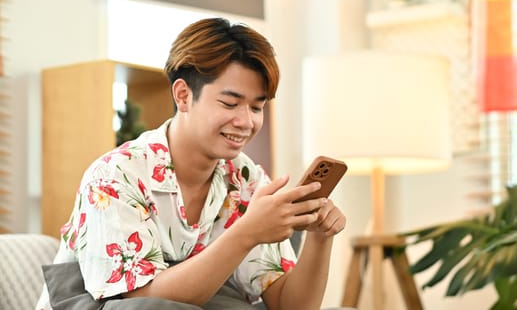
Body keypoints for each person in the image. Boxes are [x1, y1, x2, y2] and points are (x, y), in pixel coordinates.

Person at [36, 17, 346, 310]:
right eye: (230, 103)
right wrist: (247, 233)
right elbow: (143, 303)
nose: (246, 121)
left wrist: (320, 237)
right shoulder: (115, 177)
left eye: (256, 107)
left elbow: (289, 305)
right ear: (183, 95)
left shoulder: (247, 180)